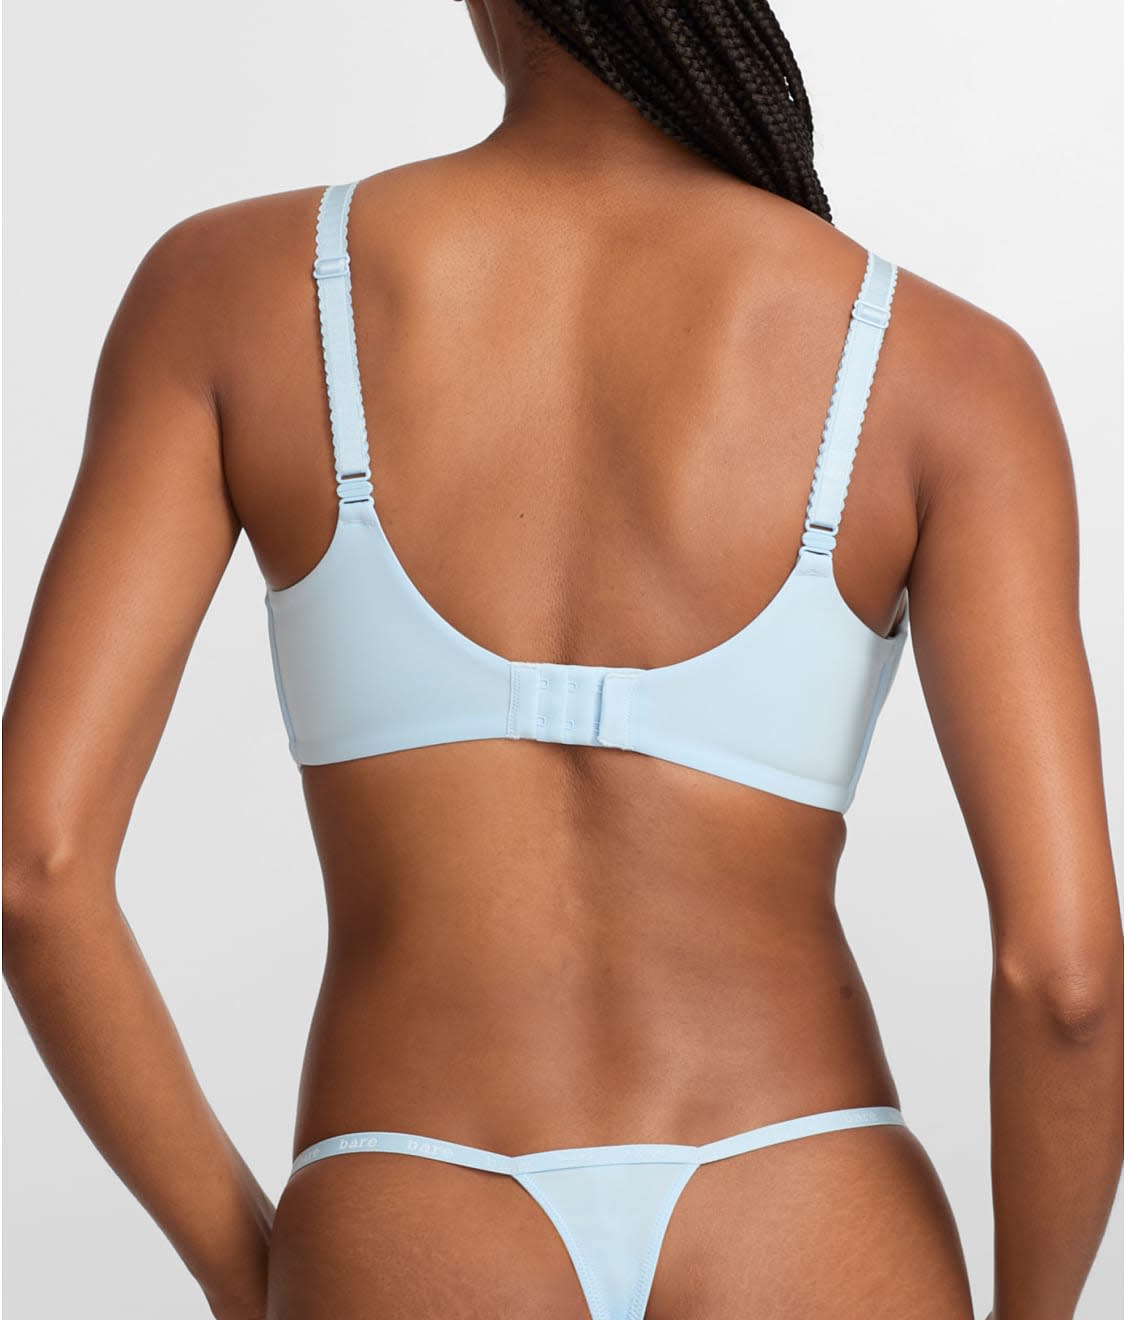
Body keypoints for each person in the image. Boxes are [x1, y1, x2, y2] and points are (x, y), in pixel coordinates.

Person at [3, 1, 1121, 1317]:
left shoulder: (231, 292)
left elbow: (36, 873)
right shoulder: (948, 368)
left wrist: (250, 1270)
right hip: (804, 1209)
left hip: (413, 1211)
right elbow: (1066, 980)